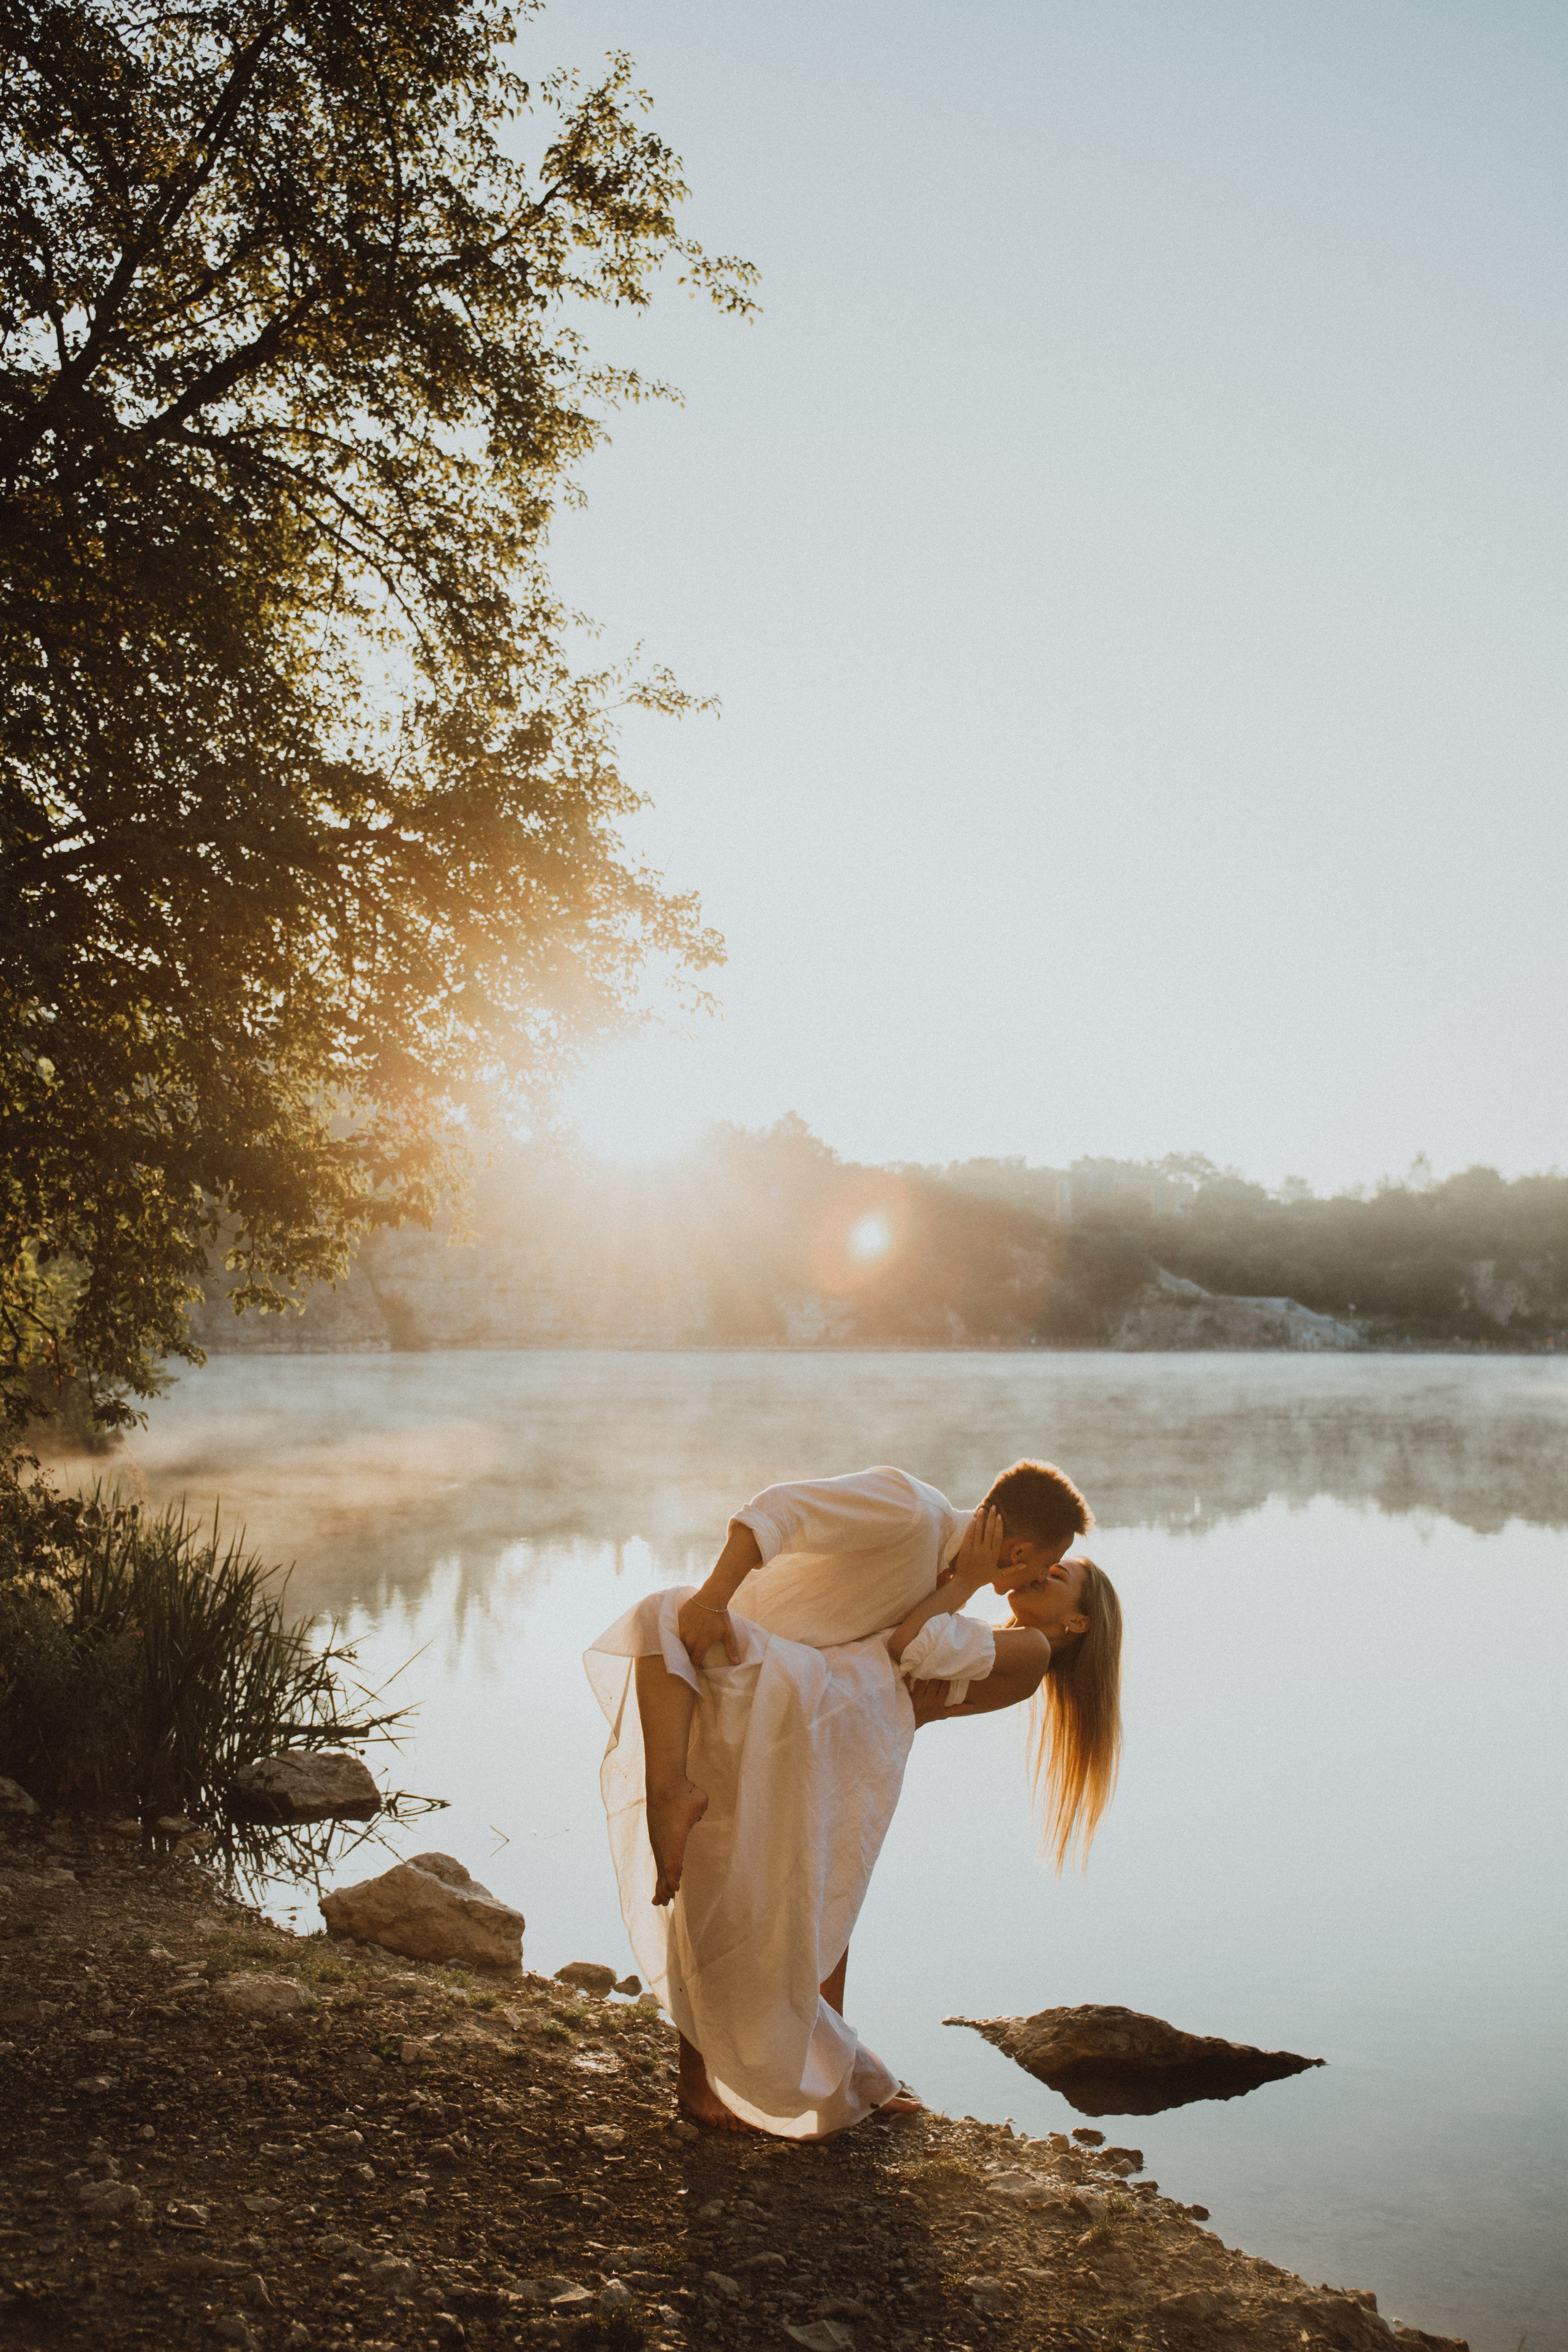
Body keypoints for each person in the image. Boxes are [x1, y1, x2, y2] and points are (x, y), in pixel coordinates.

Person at [583, 1460, 1122, 2139]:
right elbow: (783, 1512)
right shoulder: (912, 1513)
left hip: (834, 1731)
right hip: (799, 1703)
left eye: (1053, 1577)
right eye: (1046, 1566)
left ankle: (823, 2077)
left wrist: (953, 1596)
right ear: (1016, 1552)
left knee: (813, 1907)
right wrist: (716, 1598)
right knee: (753, 1886)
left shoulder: (1008, 1642)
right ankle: (669, 1801)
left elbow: (912, 1663)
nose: (1036, 1578)